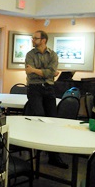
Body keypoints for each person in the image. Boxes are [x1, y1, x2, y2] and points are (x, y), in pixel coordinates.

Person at [25, 30, 68, 169]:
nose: (33, 40)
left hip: (49, 88)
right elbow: (32, 72)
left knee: (52, 121)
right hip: (34, 88)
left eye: (35, 38)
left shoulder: (53, 55)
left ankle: (54, 156)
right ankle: (36, 150)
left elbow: (51, 72)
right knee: (39, 117)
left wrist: (36, 70)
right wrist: (47, 73)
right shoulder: (30, 54)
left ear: (43, 40)